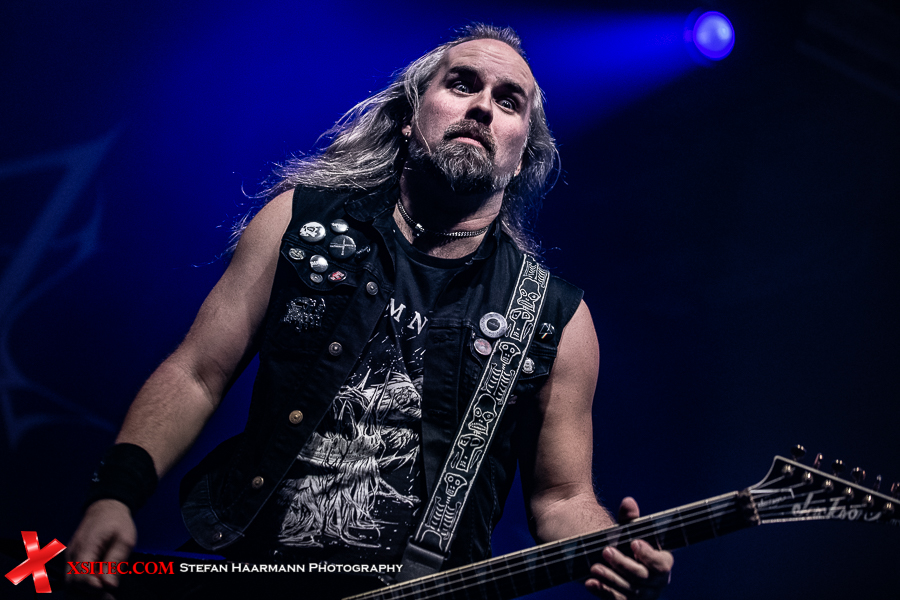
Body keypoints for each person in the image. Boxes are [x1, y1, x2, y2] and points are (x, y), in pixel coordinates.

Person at [66, 23, 673, 600]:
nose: (483, 107)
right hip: (246, 570)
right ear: (411, 116)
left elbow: (562, 498)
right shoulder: (298, 224)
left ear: (521, 157)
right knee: (35, 579)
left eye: (509, 101)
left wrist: (612, 550)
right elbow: (197, 373)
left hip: (421, 587)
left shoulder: (555, 317)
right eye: (463, 84)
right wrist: (114, 495)